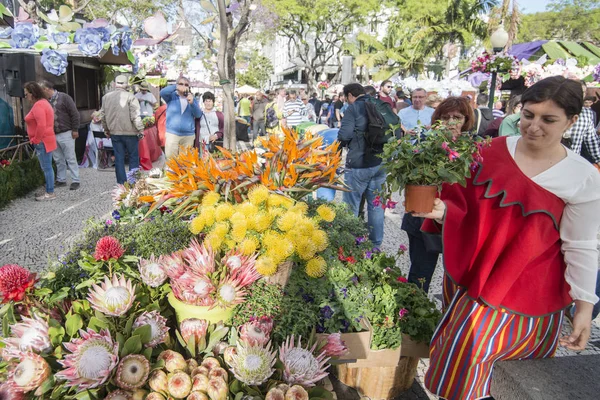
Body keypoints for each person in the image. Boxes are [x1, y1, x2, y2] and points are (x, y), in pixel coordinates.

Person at [419, 77, 600, 400]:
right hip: (477, 278)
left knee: (513, 380)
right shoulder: (489, 150)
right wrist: (441, 210)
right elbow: (463, 207)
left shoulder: (582, 176)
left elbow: (581, 245)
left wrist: (584, 307)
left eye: (548, 119)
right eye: (529, 114)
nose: (533, 126)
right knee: (461, 365)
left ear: (572, 121)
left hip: (531, 290)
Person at [402, 97, 475, 293]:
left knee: (455, 275)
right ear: (437, 120)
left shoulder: (473, 148)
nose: (451, 122)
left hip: (456, 221)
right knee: (420, 274)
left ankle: (449, 316)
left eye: (457, 117)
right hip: (422, 218)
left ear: (466, 120)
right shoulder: (425, 143)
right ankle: (412, 315)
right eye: (445, 117)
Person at [338, 83, 388, 247]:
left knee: (350, 207)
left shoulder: (353, 109)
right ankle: (375, 245)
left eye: (347, 98)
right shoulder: (378, 104)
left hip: (358, 164)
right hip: (380, 163)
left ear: (350, 95)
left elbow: (344, 135)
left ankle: (350, 245)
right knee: (376, 206)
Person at [99, 75, 145, 184]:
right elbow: (135, 116)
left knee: (119, 158)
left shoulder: (106, 97)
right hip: (130, 133)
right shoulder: (131, 97)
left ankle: (121, 183)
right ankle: (133, 183)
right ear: (126, 85)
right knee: (133, 157)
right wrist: (141, 129)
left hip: (114, 132)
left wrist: (106, 129)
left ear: (115, 84)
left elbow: (103, 115)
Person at [39, 80, 80, 190]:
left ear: (46, 89)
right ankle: (61, 179)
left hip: (66, 132)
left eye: (41, 90)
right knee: (58, 158)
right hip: (53, 134)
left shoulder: (64, 97)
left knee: (70, 157)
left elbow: (74, 113)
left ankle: (76, 180)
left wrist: (75, 129)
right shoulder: (45, 101)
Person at [24, 82, 56, 201]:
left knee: (46, 167)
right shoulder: (45, 103)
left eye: (26, 94)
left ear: (32, 94)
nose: (26, 97)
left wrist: (36, 140)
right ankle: (49, 189)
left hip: (42, 140)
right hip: (47, 139)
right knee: (48, 167)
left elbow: (41, 125)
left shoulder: (39, 105)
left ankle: (50, 192)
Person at [160, 76, 202, 159]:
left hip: (188, 135)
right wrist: (176, 87)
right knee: (171, 161)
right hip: (172, 134)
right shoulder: (171, 96)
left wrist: (192, 103)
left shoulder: (192, 98)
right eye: (181, 84)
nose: (184, 86)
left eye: (186, 85)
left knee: (185, 162)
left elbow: (198, 115)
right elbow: (162, 92)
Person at [564, 81, 600, 168]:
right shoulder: (556, 109)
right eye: (574, 91)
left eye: (582, 92)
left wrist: (598, 159)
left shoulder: (587, 113)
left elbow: (591, 140)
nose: (578, 95)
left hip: (573, 163)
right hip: (550, 162)